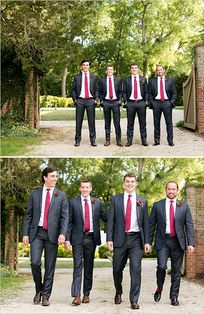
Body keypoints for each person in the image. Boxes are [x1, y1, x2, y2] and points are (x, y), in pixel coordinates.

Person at [22, 167, 69, 306]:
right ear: (45, 177)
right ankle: (39, 289)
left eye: (56, 176)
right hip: (37, 233)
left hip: (53, 235)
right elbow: (28, 215)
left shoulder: (61, 195)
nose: (55, 178)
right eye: (52, 176)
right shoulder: (35, 194)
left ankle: (46, 295)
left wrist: (63, 233)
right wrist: (25, 233)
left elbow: (65, 217)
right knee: (34, 262)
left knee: (50, 266)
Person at [106, 173, 149, 310]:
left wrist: (147, 241)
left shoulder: (142, 201)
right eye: (127, 181)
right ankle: (118, 291)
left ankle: (134, 300)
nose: (130, 183)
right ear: (124, 184)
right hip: (120, 238)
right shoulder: (116, 200)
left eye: (132, 181)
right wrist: (109, 239)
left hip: (137, 239)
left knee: (135, 269)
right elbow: (111, 220)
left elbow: (146, 224)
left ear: (136, 184)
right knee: (117, 268)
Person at [149, 181, 195, 306]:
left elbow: (189, 225)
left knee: (176, 271)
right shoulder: (157, 205)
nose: (171, 191)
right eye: (169, 189)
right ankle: (159, 288)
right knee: (162, 267)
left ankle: (174, 297)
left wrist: (191, 243)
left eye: (173, 189)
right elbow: (151, 225)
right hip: (162, 241)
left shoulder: (183, 206)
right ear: (165, 190)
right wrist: (148, 242)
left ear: (177, 190)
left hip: (177, 242)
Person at [65, 179, 107, 306]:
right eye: (82, 187)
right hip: (77, 238)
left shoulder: (97, 203)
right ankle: (76, 295)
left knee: (89, 267)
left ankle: (86, 294)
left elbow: (106, 217)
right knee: (77, 266)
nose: (84, 189)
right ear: (80, 188)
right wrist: (67, 239)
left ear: (90, 189)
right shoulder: (73, 202)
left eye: (87, 187)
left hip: (91, 238)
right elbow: (69, 222)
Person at [71, 59, 99, 147]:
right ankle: (77, 140)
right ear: (81, 66)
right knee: (78, 122)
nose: (85, 66)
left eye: (87, 65)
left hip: (90, 100)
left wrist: (96, 99)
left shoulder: (94, 77)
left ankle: (93, 140)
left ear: (89, 66)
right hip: (80, 101)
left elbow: (97, 89)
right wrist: (75, 99)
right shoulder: (77, 77)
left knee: (91, 122)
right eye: (84, 65)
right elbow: (73, 90)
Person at [148, 65, 177, 146]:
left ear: (164, 70)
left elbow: (174, 93)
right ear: (156, 72)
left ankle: (170, 141)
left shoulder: (170, 80)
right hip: (156, 103)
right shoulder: (152, 81)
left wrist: (171, 102)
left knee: (169, 123)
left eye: (161, 69)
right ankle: (157, 140)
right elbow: (149, 93)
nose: (160, 71)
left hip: (167, 103)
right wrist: (152, 102)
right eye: (158, 70)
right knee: (156, 123)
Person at [123, 63, 149, 147]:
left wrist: (146, 101)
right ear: (130, 69)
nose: (134, 69)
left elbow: (146, 91)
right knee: (130, 123)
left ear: (138, 69)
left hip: (141, 103)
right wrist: (125, 101)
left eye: (135, 68)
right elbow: (124, 92)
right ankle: (129, 141)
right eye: (132, 68)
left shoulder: (143, 79)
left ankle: (144, 140)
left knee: (142, 123)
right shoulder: (126, 79)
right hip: (130, 103)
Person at [99, 65, 123, 147]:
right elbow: (100, 91)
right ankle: (107, 140)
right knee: (107, 122)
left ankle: (119, 140)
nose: (109, 71)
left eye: (111, 69)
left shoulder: (118, 79)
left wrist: (120, 100)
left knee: (117, 122)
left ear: (113, 71)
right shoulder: (102, 80)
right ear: (106, 71)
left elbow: (120, 91)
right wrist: (101, 100)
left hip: (115, 102)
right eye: (108, 69)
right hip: (106, 103)